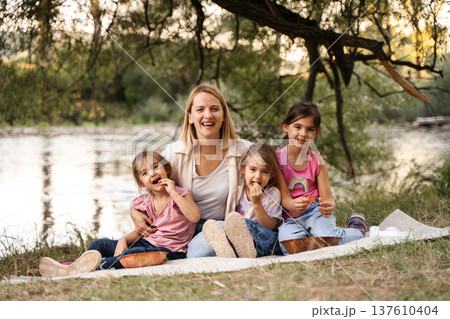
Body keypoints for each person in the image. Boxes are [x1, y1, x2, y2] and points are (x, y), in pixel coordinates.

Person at [130, 84, 252, 258]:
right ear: (190, 117)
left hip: (221, 224)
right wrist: (134, 212)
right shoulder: (174, 153)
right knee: (191, 254)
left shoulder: (244, 152)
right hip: (183, 233)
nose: (208, 115)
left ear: (224, 115)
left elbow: (274, 170)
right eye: (200, 109)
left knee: (197, 253)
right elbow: (145, 187)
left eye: (215, 109)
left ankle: (232, 241)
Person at [39, 150, 200, 277]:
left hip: (170, 252)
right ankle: (77, 264)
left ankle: (100, 265)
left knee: (132, 254)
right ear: (140, 183)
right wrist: (123, 239)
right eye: (145, 173)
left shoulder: (180, 194)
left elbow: (195, 217)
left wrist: (174, 193)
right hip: (146, 243)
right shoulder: (144, 202)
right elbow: (142, 232)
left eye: (156, 166)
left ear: (167, 169)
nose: (152, 173)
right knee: (101, 243)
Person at [276, 102, 366, 255]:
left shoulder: (318, 162)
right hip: (289, 217)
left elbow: (327, 198)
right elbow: (284, 199)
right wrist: (293, 204)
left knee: (330, 238)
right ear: (286, 127)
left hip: (315, 212)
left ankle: (357, 229)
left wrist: (329, 205)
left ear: (316, 133)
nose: (303, 134)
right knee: (287, 247)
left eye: (310, 129)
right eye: (297, 127)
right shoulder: (277, 160)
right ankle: (314, 239)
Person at [202, 144, 283, 258]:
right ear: (243, 168)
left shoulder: (273, 193)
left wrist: (257, 203)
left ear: (271, 174)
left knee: (249, 226)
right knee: (232, 225)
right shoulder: (238, 191)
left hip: (262, 236)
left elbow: (269, 226)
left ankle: (245, 247)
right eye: (253, 169)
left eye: (264, 171)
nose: (258, 176)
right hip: (238, 234)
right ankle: (229, 249)